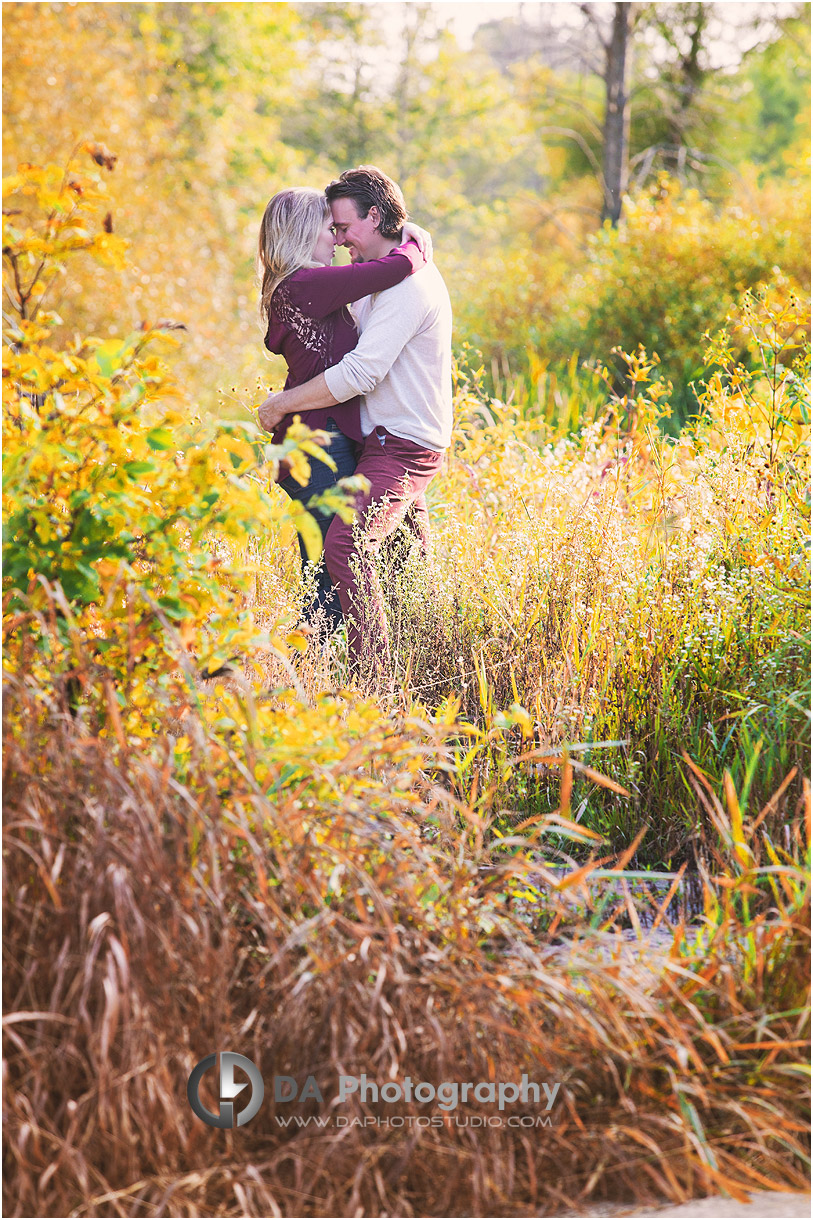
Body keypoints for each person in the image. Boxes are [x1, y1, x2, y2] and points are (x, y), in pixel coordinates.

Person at [258, 166, 453, 690]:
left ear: (374, 215)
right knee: (351, 564)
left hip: (393, 442)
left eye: (343, 227)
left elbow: (361, 371)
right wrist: (414, 246)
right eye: (331, 229)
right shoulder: (340, 280)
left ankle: (380, 681)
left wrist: (280, 404)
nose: (340, 239)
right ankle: (349, 680)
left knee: (349, 554)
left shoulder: (399, 281)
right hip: (343, 442)